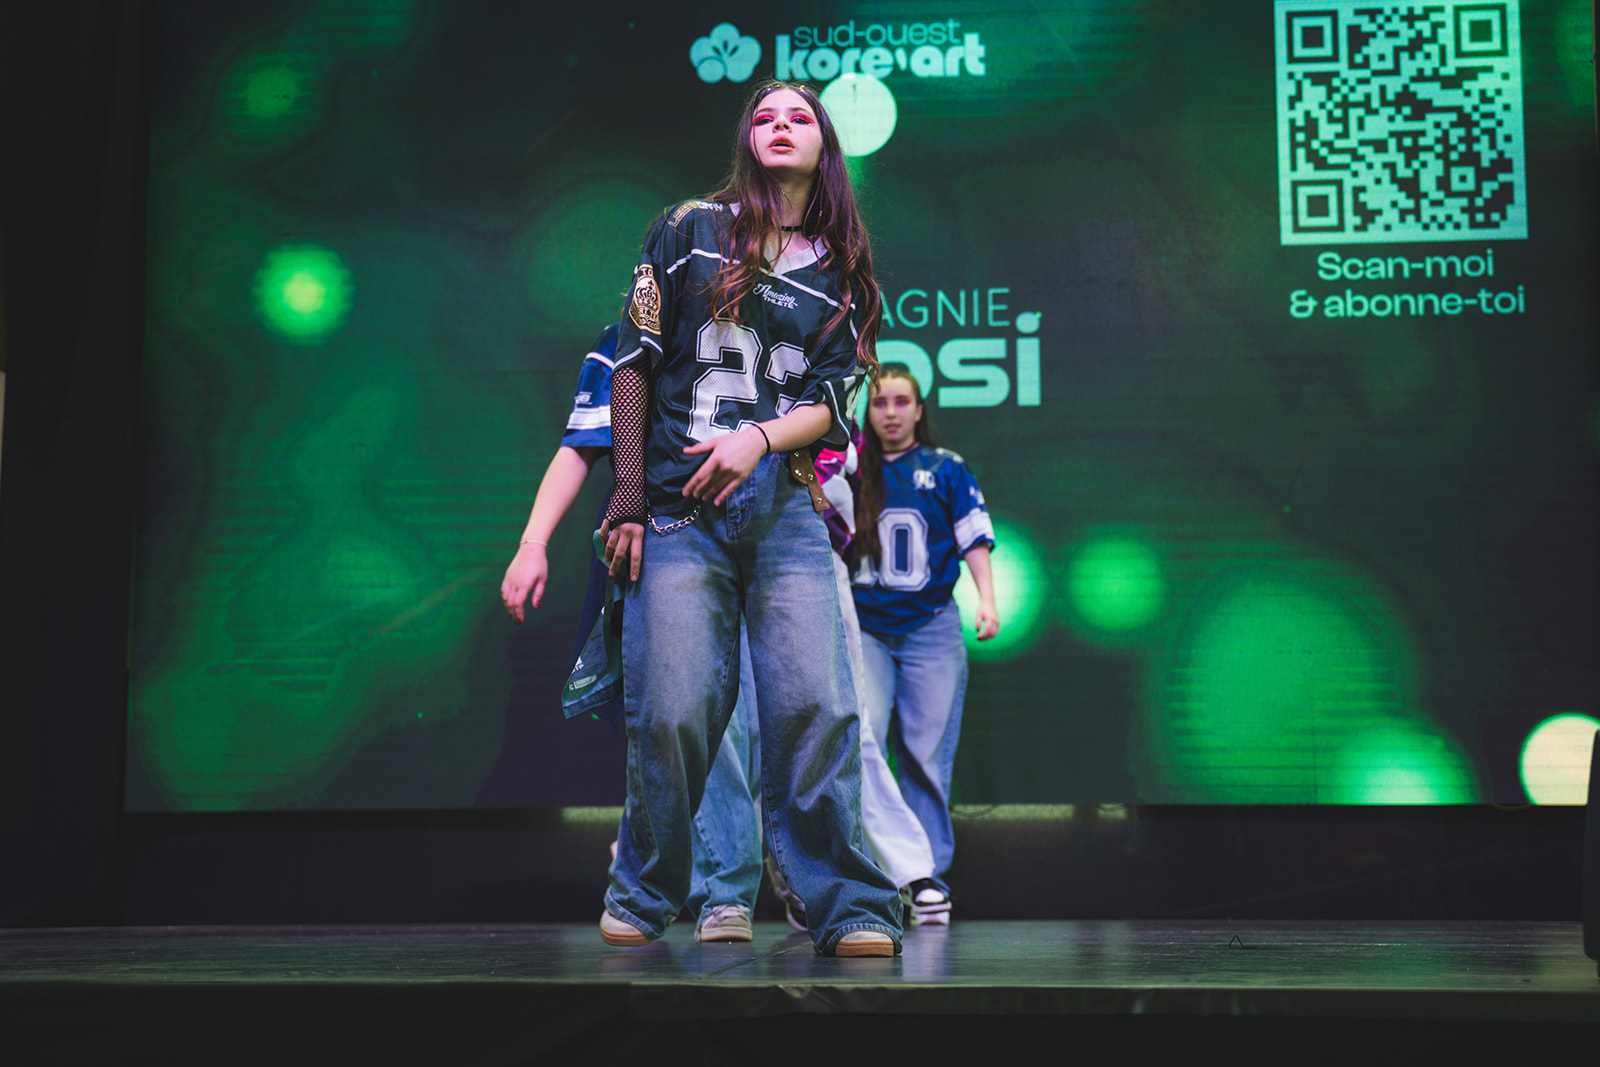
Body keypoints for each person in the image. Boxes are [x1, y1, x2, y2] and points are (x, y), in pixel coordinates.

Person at [598, 80, 902, 957]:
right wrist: (628, 494)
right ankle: (647, 886)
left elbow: (831, 406)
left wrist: (757, 440)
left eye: (799, 116)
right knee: (673, 710)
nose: (780, 124)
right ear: (746, 141)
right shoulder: (687, 229)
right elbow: (631, 367)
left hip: (784, 512)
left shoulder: (841, 271)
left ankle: (847, 901)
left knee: (818, 706)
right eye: (764, 115)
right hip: (678, 511)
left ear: (825, 147)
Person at [498, 323, 764, 944]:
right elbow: (580, 446)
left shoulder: (766, 323)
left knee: (751, 726)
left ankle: (658, 854)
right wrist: (532, 543)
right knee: (691, 718)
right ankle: (722, 892)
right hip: (662, 543)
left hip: (759, 546)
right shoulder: (627, 338)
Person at [848, 365, 1000, 919]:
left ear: (918, 409)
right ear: (867, 411)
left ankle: (926, 875)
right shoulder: (847, 466)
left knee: (926, 752)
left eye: (900, 401)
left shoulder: (946, 468)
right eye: (879, 402)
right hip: (863, 626)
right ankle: (872, 872)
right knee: (861, 743)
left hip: (930, 625)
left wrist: (987, 599)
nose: (890, 412)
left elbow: (973, 539)